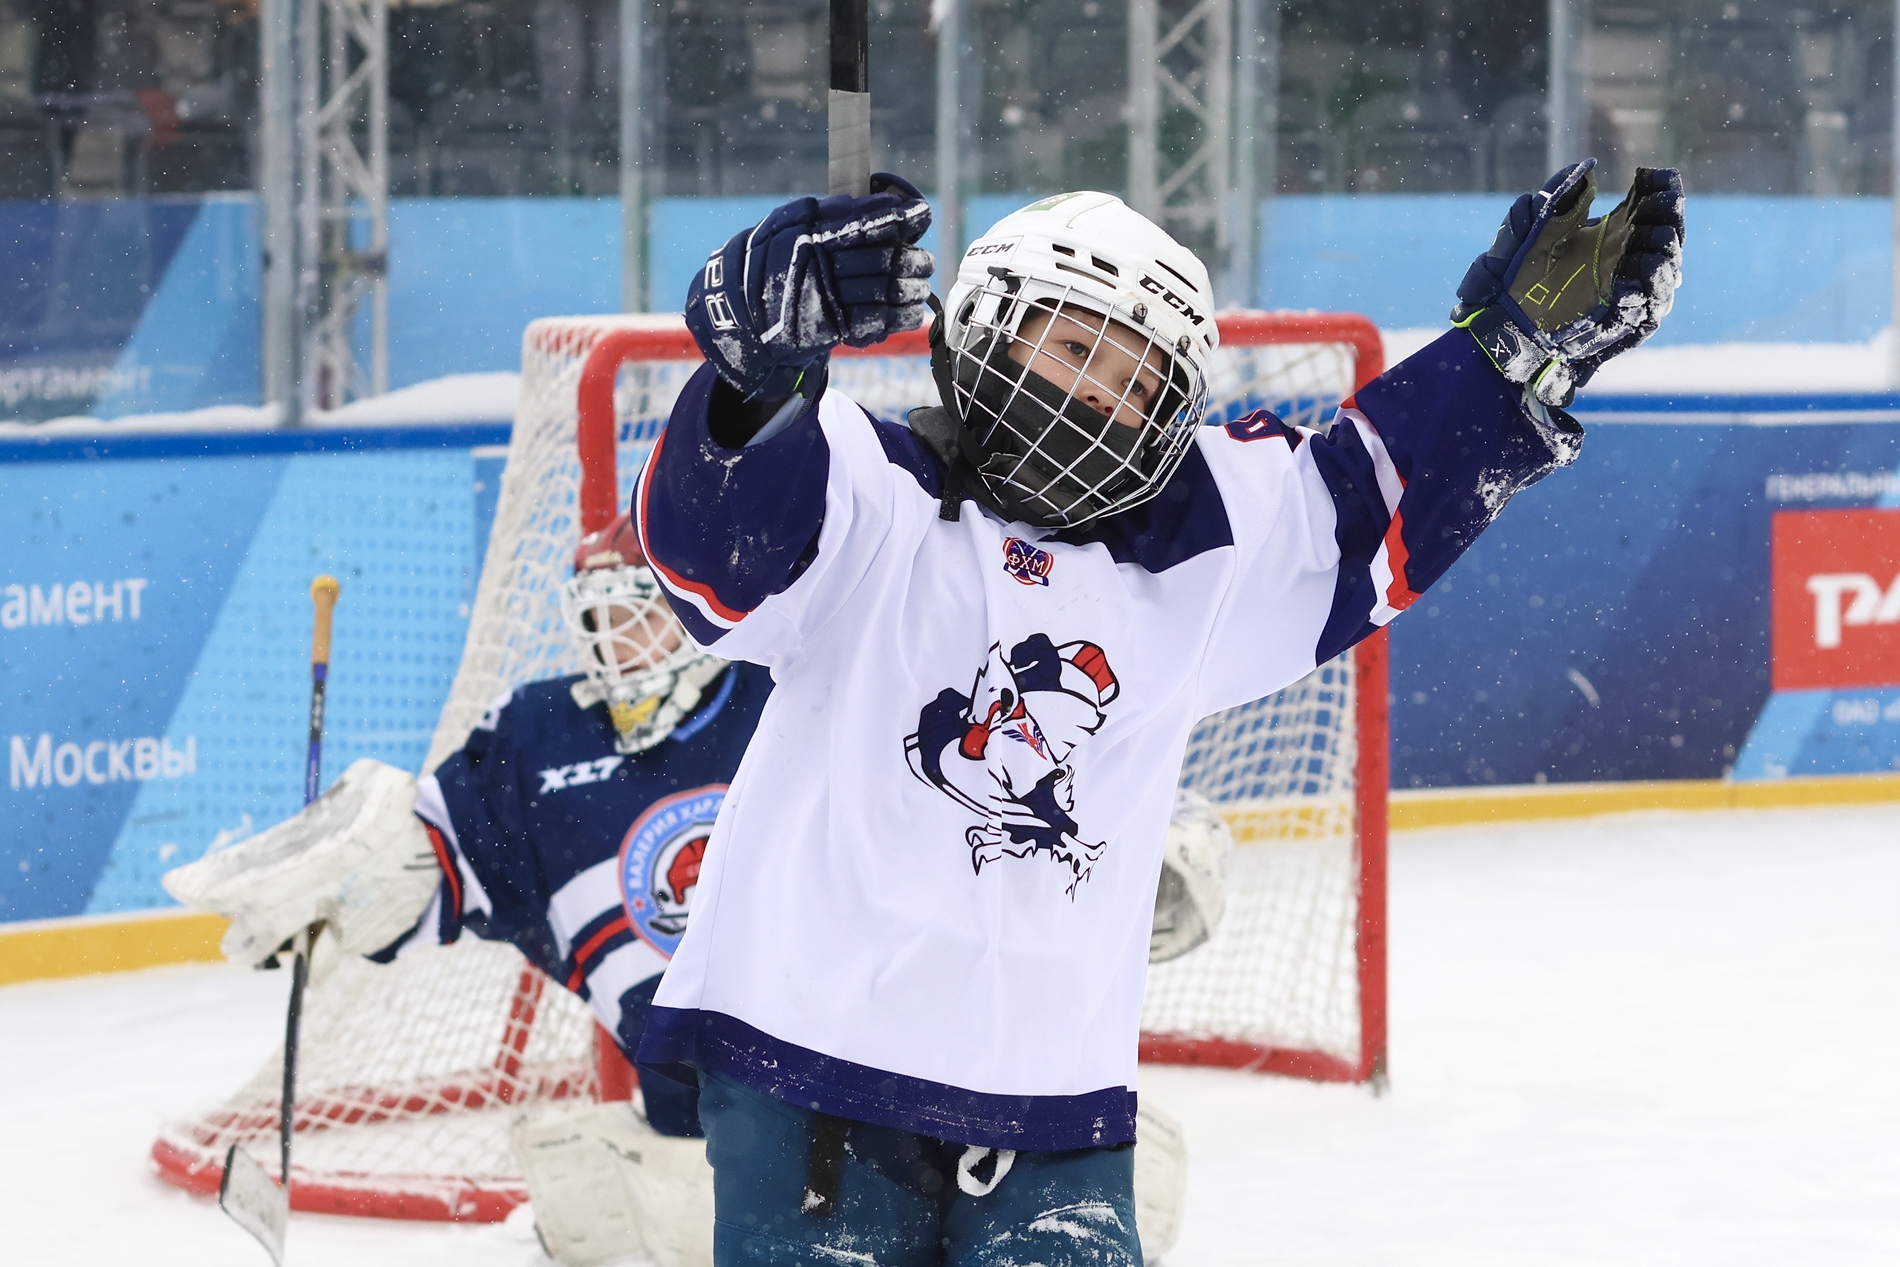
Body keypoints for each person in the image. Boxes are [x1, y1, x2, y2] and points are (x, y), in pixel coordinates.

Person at [636, 160, 1682, 1265]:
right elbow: (712, 557)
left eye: (1140, 382)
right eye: (1077, 348)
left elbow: (1371, 501)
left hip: (1051, 1095)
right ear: (981, 331)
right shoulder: (866, 488)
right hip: (809, 1065)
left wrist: (1507, 356)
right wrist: (760, 372)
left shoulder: (1200, 548)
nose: (1100, 396)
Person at [163, 513, 1226, 1266]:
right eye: (593, 616)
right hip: (714, 1128)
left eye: (633, 613)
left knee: (1112, 1178)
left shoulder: (794, 686)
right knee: (587, 1188)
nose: (609, 640)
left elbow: (984, 773)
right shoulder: (540, 740)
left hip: (894, 1095)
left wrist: (1128, 850)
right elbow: (431, 857)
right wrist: (343, 881)